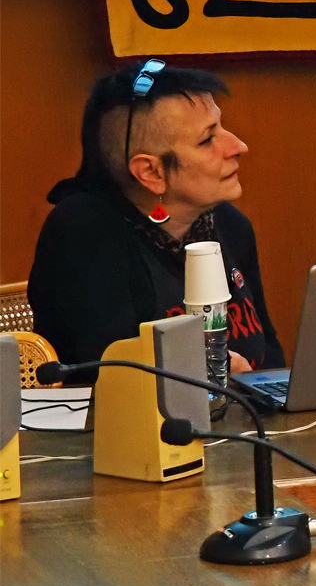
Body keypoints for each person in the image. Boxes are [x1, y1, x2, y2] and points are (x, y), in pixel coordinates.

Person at [29, 60, 284, 381]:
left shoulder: (230, 225)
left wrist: (252, 387)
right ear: (151, 172)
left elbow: (270, 358)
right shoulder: (83, 234)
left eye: (221, 127)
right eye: (207, 139)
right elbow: (114, 379)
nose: (238, 146)